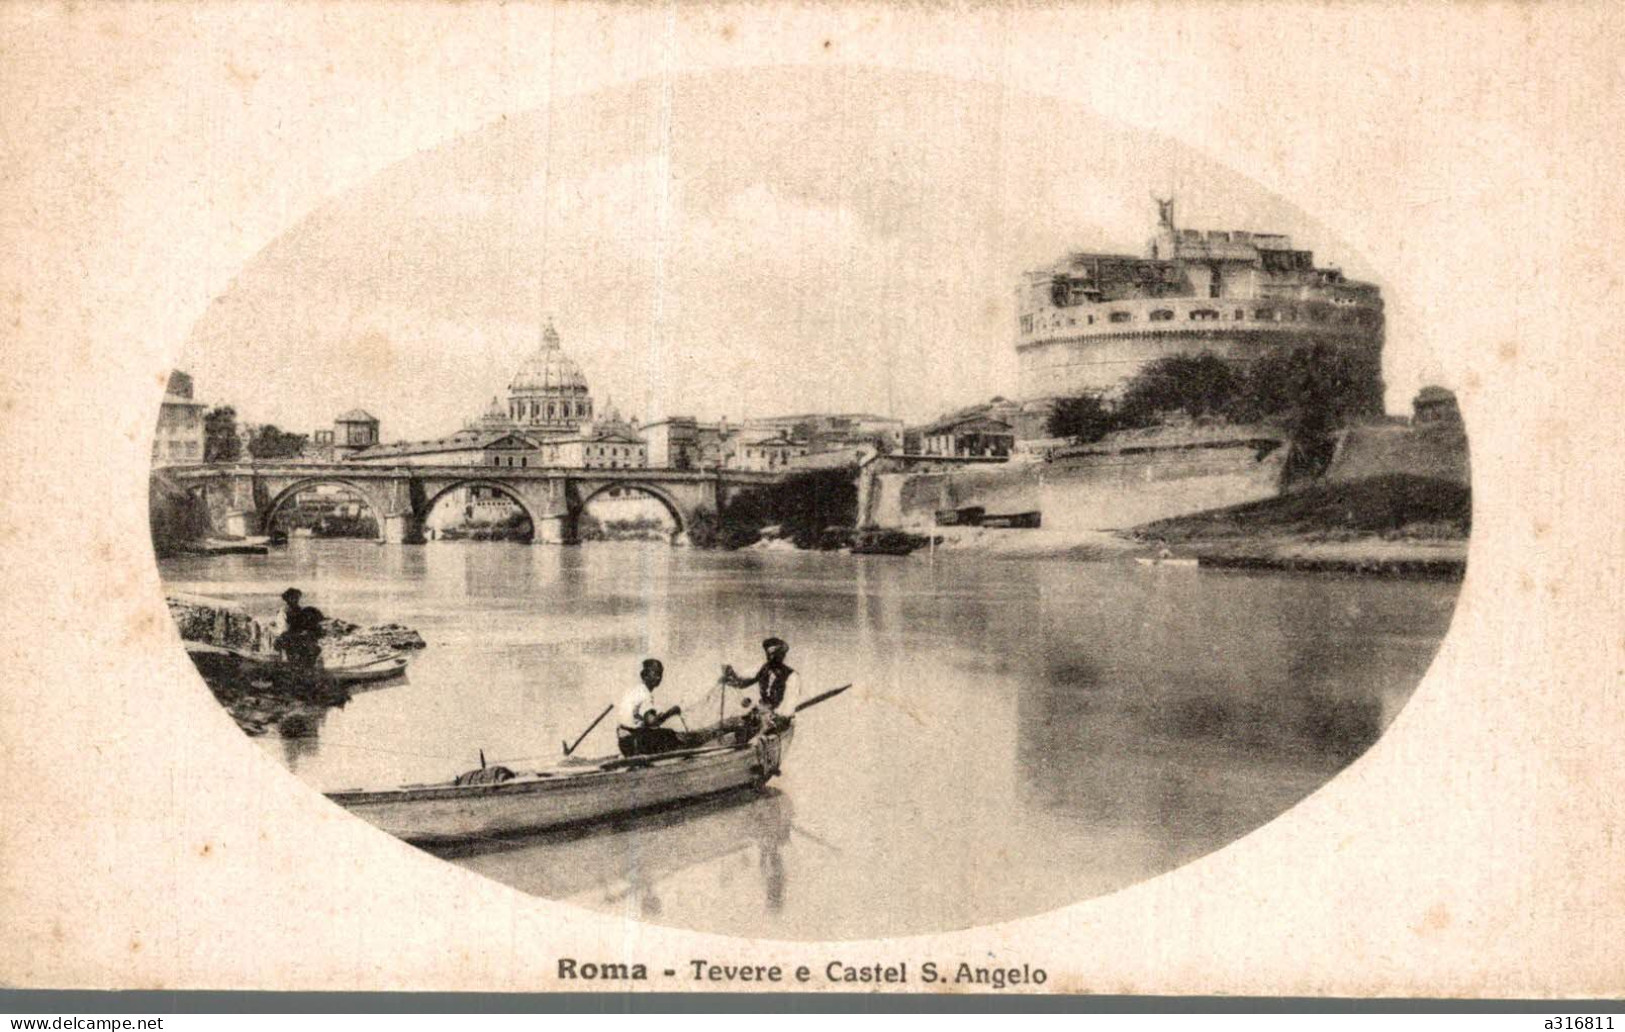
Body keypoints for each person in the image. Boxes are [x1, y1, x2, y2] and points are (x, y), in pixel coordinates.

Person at [616, 658, 683, 757]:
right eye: (655, 674)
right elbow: (651, 722)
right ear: (645, 675)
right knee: (671, 735)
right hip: (635, 743)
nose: (658, 677)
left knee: (665, 734)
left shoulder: (635, 690)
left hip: (624, 743)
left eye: (660, 674)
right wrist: (670, 713)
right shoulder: (644, 693)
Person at [723, 637, 795, 711]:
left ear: (782, 655)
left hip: (777, 714)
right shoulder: (766, 668)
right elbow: (746, 683)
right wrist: (731, 680)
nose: (770, 657)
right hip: (763, 710)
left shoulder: (791, 675)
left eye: (775, 655)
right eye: (768, 654)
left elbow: (790, 702)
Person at [273, 587, 325, 674]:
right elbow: (284, 630)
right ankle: (299, 669)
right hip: (289, 638)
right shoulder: (284, 612)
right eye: (293, 597)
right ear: (287, 599)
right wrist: (300, 633)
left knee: (314, 649)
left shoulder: (299, 610)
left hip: (299, 637)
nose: (296, 599)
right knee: (302, 651)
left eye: (297, 597)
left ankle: (306, 669)